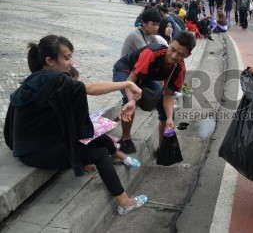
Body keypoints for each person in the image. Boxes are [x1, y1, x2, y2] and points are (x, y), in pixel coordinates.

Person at [4, 35, 147, 215]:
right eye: (67, 57)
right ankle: (125, 202)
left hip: (40, 142)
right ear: (49, 61)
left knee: (100, 138)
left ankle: (121, 156)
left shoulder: (38, 78)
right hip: (36, 151)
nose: (71, 62)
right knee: (100, 154)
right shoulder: (57, 80)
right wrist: (127, 83)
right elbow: (89, 88)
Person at [113, 32, 196, 155]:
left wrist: (169, 118)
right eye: (172, 49)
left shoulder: (180, 69)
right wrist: (131, 100)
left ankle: (162, 149)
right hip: (126, 71)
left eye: (180, 54)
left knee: (167, 111)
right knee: (129, 100)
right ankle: (125, 138)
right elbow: (130, 82)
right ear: (170, 42)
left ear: (188, 55)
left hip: (146, 77)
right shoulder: (151, 53)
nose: (173, 56)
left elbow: (168, 95)